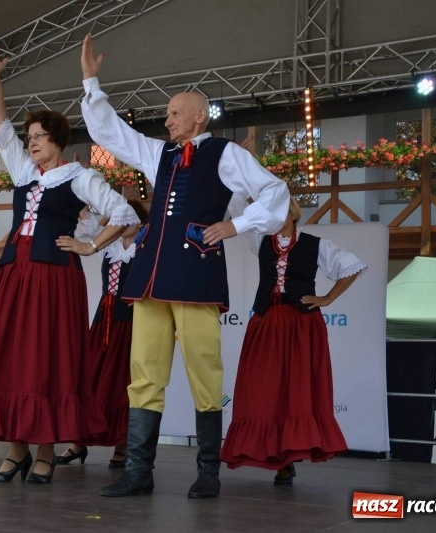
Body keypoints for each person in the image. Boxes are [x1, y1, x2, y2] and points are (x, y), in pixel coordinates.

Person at [79, 33, 290, 498]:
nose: (167, 119)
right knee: (145, 374)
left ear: (200, 115)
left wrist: (237, 226)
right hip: (150, 279)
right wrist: (92, 83)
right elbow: (112, 134)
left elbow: (275, 193)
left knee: (204, 372)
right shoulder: (160, 154)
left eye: (175, 113)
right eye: (167, 113)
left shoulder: (226, 154)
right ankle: (138, 472)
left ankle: (208, 472)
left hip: (196, 279)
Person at [0, 38, 140, 485]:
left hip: (54, 279)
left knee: (48, 362)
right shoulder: (25, 173)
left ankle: (46, 451)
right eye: (28, 138)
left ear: (57, 141)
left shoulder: (81, 176)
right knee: (13, 360)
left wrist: (90, 246)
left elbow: (123, 212)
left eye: (37, 138)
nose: (29, 143)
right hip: (15, 275)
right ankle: (17, 450)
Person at [220, 196, 366, 484]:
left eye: (278, 210)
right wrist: (245, 172)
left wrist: (328, 297)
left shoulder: (315, 244)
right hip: (266, 324)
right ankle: (270, 453)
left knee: (295, 390)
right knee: (262, 390)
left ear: (292, 215)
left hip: (301, 325)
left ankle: (287, 459)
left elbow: (352, 265)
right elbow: (236, 205)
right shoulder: (260, 239)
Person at [57, 200, 148, 468]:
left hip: (132, 322)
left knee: (122, 385)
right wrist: (83, 202)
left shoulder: (145, 248)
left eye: (125, 220)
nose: (118, 226)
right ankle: (78, 442)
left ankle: (121, 445)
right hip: (104, 321)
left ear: (138, 222)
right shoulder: (108, 248)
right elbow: (86, 227)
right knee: (91, 379)